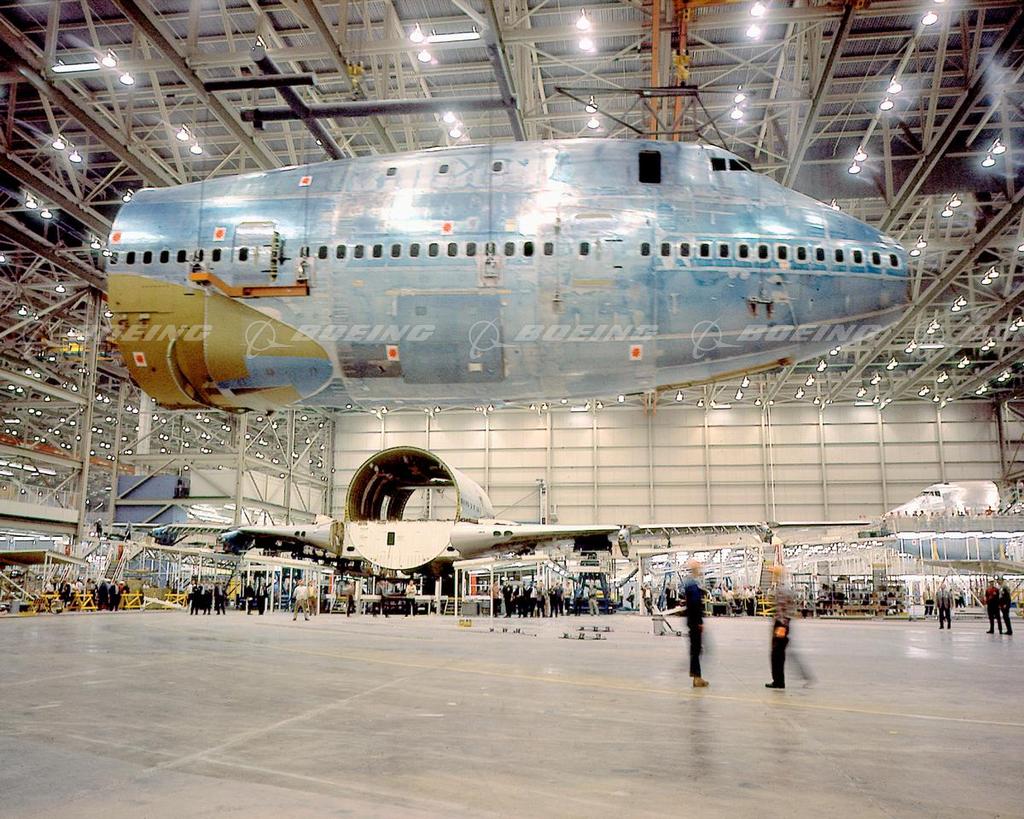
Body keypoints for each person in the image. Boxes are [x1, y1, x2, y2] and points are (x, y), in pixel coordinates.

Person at [766, 565, 793, 689]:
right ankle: (778, 680)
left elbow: (783, 609)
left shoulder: (782, 589)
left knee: (777, 654)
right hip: (783, 623)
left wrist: (781, 626)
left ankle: (778, 681)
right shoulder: (785, 587)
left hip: (781, 624)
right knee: (778, 653)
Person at [683, 560, 708, 688]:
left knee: (695, 649)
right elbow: (695, 605)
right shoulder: (693, 585)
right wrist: (699, 621)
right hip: (694, 622)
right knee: (696, 649)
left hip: (691, 621)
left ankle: (696, 676)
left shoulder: (690, 583)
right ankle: (697, 678)